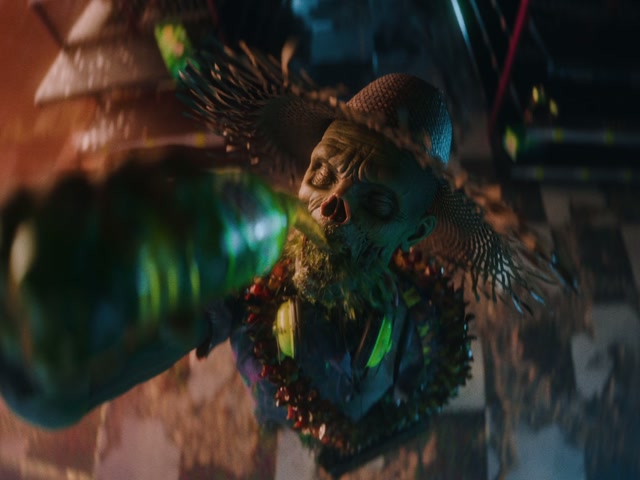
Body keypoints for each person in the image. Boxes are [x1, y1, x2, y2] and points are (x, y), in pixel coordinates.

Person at [0, 43, 565, 465]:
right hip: (282, 400)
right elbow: (79, 386)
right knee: (277, 410)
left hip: (366, 414)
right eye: (321, 173)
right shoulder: (250, 277)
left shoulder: (423, 318)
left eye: (377, 202)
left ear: (414, 234)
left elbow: (419, 385)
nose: (330, 206)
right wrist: (44, 358)